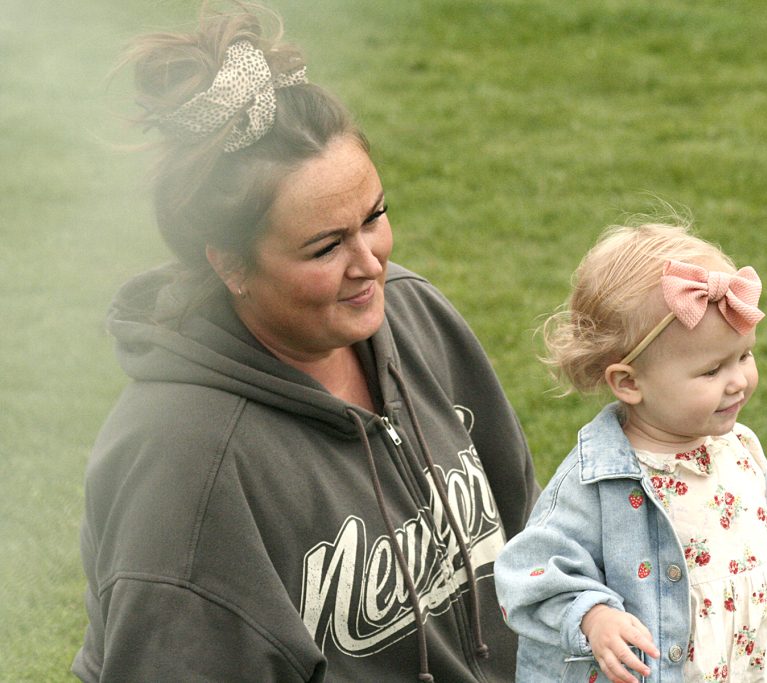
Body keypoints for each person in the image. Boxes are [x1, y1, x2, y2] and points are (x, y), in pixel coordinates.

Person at [72, 4, 538, 681]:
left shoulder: (409, 314)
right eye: (325, 247)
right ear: (230, 264)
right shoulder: (184, 464)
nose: (370, 262)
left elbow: (530, 532)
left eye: (374, 216)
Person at [494, 222, 767, 683]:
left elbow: (757, 525)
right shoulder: (598, 480)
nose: (738, 380)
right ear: (630, 382)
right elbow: (530, 569)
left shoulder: (735, 446)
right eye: (712, 370)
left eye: (744, 357)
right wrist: (594, 617)